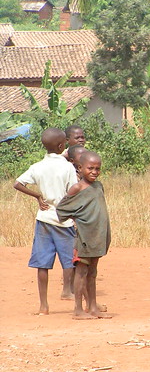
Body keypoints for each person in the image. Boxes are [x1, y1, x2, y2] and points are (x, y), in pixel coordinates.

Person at [13, 128, 78, 315]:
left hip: (43, 219)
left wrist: (37, 196)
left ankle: (43, 305)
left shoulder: (37, 166)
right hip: (63, 221)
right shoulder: (67, 167)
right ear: (61, 146)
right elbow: (73, 190)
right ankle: (70, 294)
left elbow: (18, 184)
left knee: (42, 264)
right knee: (69, 262)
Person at [57, 151, 112, 320]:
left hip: (97, 237)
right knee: (81, 272)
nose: (94, 172)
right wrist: (79, 219)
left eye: (97, 168)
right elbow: (62, 209)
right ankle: (78, 309)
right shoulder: (77, 188)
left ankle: (93, 307)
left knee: (93, 272)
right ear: (80, 168)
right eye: (90, 168)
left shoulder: (98, 186)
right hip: (84, 238)